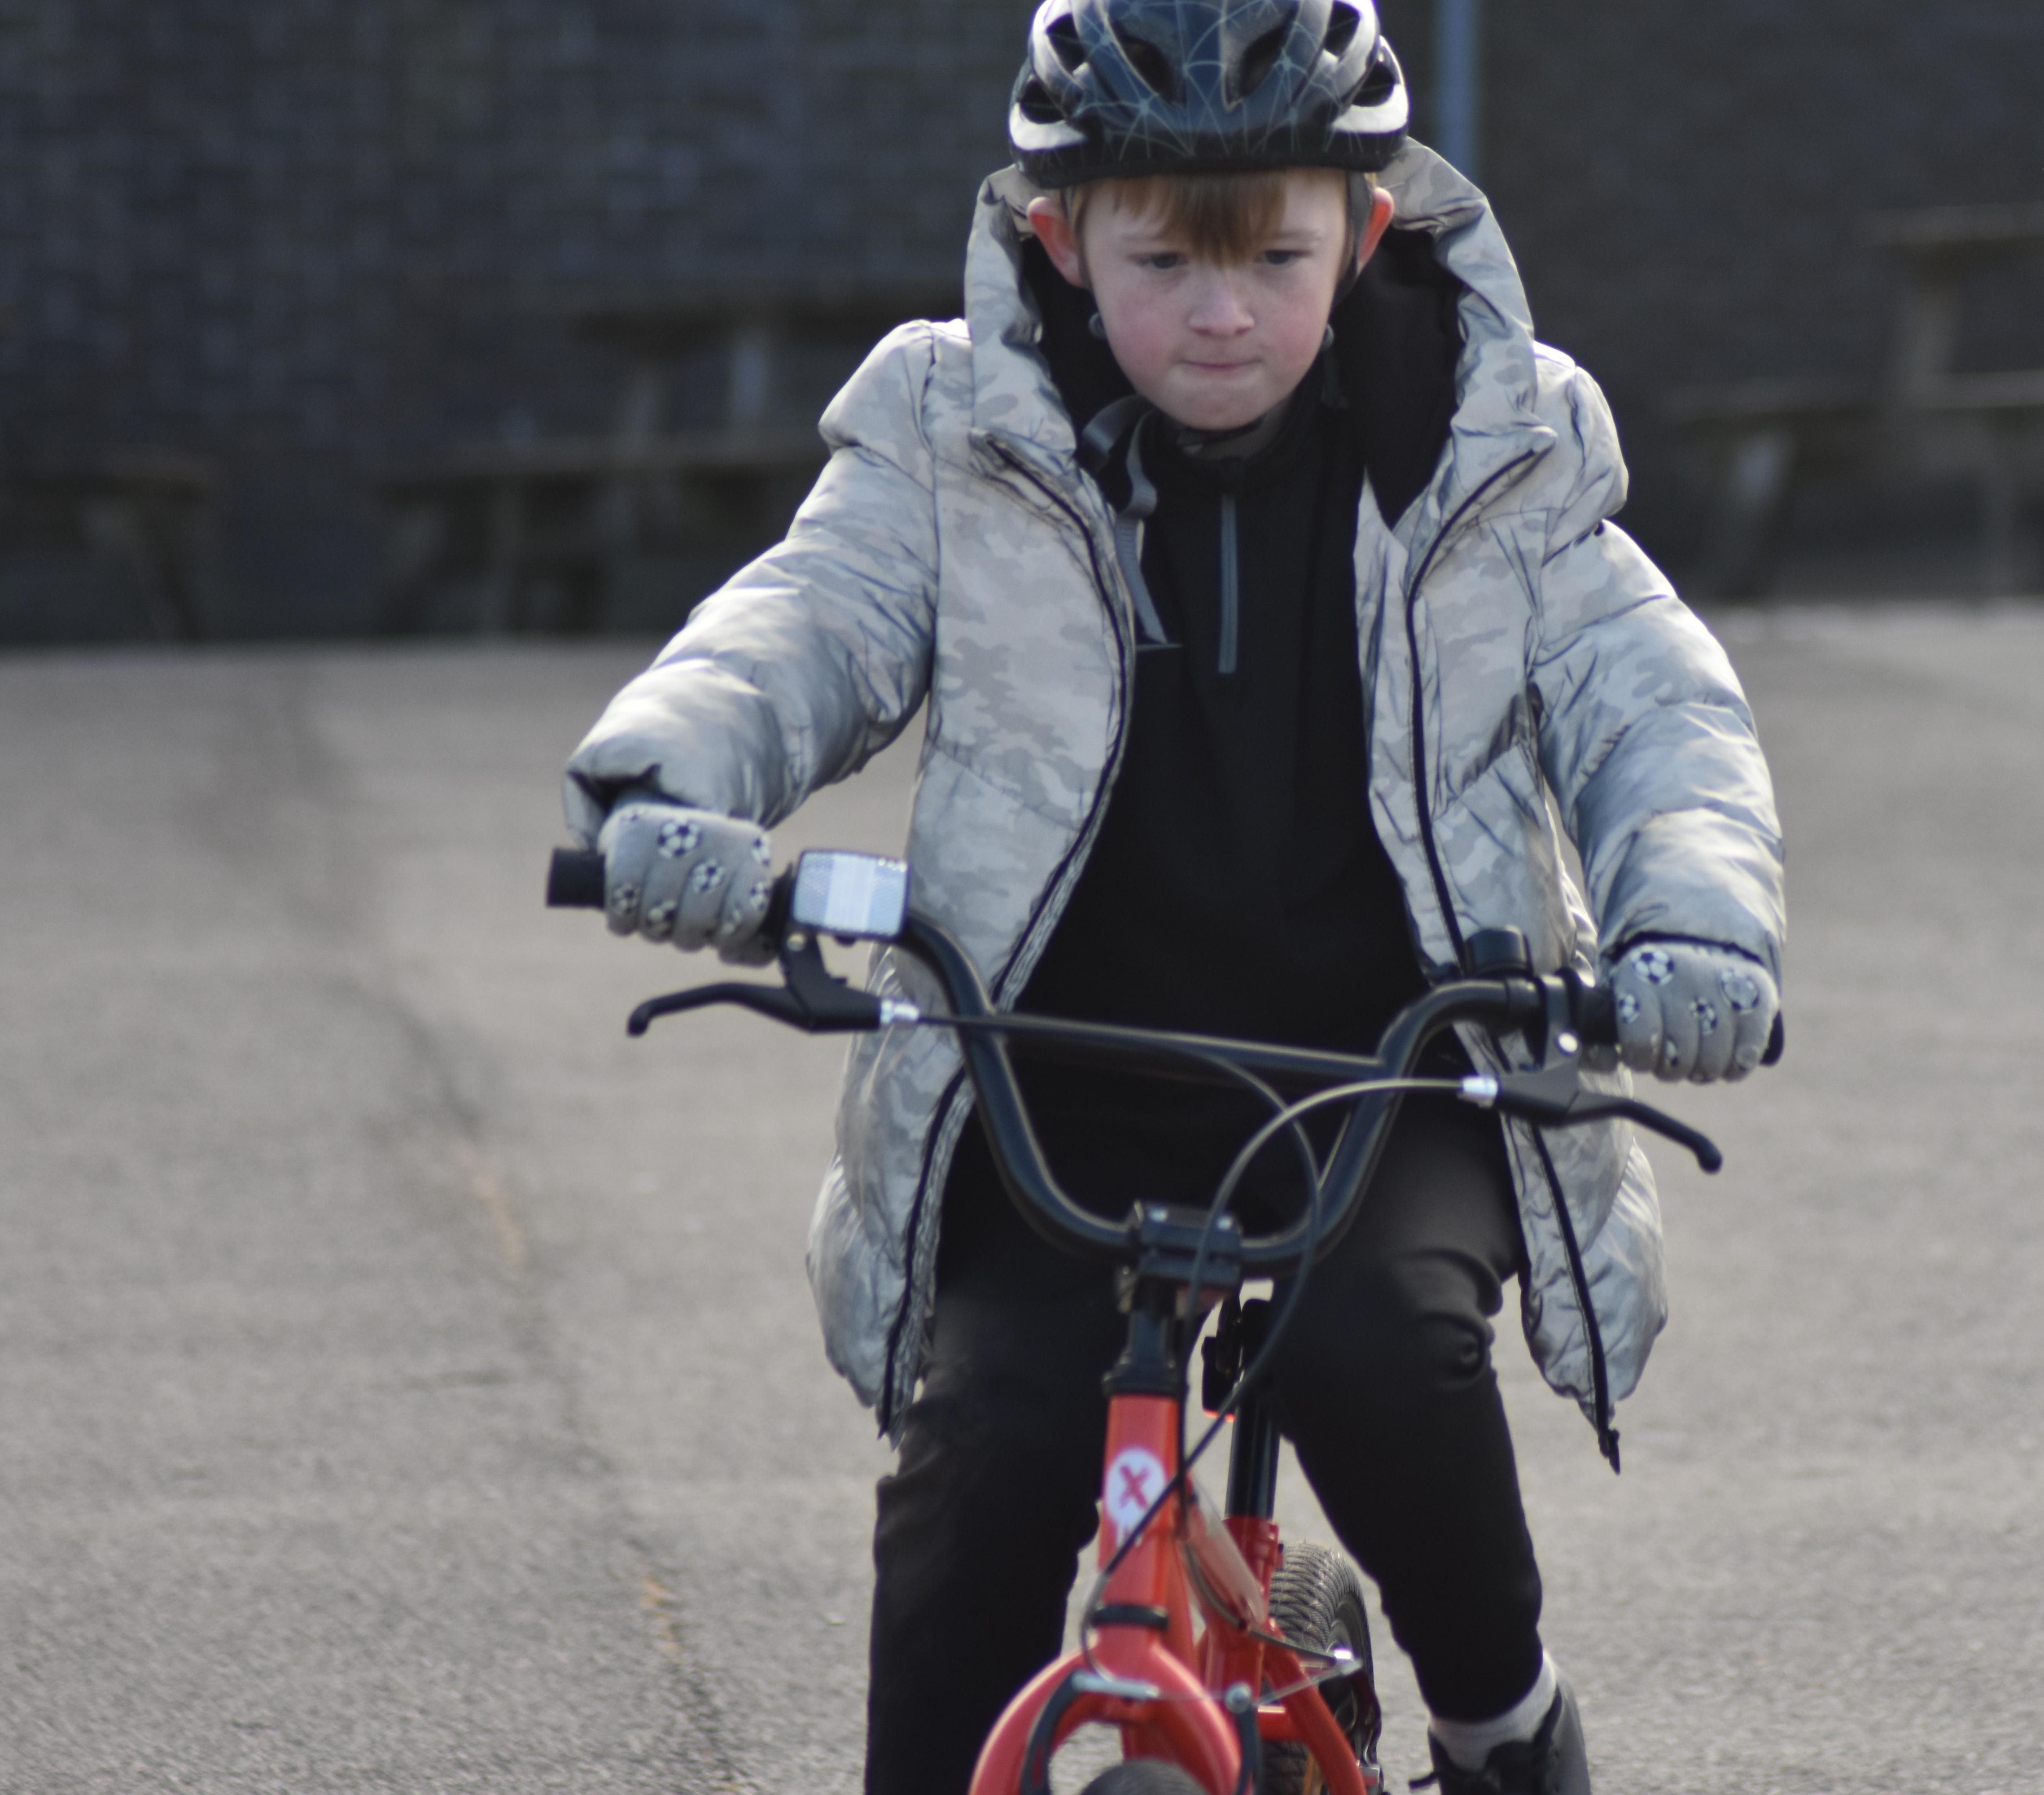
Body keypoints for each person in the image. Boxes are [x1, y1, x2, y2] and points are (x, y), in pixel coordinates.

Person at [560, 2, 1782, 1788]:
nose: (1223, 314)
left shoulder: (1496, 436)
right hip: (1057, 1066)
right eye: (1163, 265)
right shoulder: (957, 429)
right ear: (1061, 241)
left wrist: (1696, 921)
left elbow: (1648, 701)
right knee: (991, 1431)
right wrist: (670, 786)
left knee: (1385, 1352)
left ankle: (1502, 1718)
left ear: (1365, 230)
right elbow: (804, 621)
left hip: (1391, 1068)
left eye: (1277, 259)